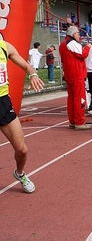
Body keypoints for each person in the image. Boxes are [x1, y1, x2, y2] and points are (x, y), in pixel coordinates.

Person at [0, 40, 44, 193]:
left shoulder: (5, 47)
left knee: (22, 150)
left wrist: (32, 74)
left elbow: (26, 65)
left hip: (2, 103)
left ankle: (20, 173)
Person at [59, 25, 92, 130]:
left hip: (69, 74)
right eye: (78, 34)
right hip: (77, 74)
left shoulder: (63, 44)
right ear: (74, 34)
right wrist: (87, 47)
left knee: (72, 99)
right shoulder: (71, 43)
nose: (79, 36)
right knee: (80, 99)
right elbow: (83, 54)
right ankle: (79, 122)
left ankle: (73, 121)